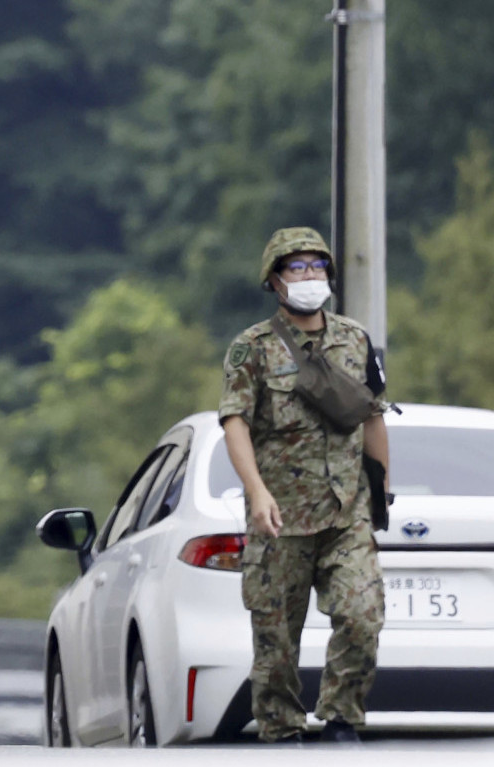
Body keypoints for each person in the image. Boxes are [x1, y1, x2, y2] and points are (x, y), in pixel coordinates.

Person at [219, 227, 390, 745]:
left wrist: (381, 492)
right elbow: (235, 423)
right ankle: (282, 732)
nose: (310, 275)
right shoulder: (252, 348)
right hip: (282, 518)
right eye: (296, 267)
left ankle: (342, 719)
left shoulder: (355, 340)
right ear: (274, 280)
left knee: (362, 617)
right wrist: (256, 493)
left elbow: (373, 417)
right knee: (275, 643)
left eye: (318, 266)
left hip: (346, 512)